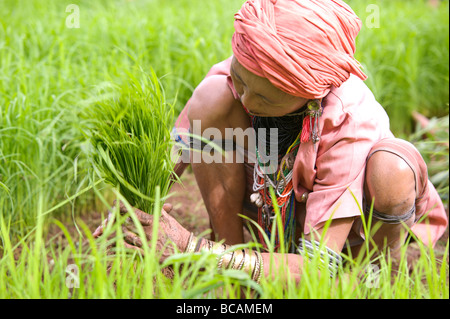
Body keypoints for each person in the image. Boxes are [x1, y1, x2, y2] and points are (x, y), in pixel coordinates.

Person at [93, 0, 448, 284]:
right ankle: (235, 267)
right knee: (211, 98)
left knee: (392, 168)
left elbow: (315, 268)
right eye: (241, 80)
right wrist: (134, 214)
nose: (245, 100)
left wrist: (189, 247)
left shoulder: (351, 122)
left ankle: (373, 275)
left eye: (263, 98)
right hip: (272, 225)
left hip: (339, 245)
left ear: (307, 95)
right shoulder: (252, 70)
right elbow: (167, 163)